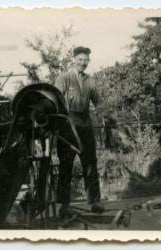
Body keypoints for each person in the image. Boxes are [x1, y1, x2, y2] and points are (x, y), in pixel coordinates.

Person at [55, 46, 105, 217]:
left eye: (86, 60)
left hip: (85, 122)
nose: (83, 63)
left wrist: (109, 116)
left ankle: (95, 202)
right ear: (74, 59)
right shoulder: (64, 78)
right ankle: (64, 205)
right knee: (66, 165)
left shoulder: (91, 81)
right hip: (67, 124)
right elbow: (56, 101)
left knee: (90, 162)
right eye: (80, 59)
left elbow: (99, 103)